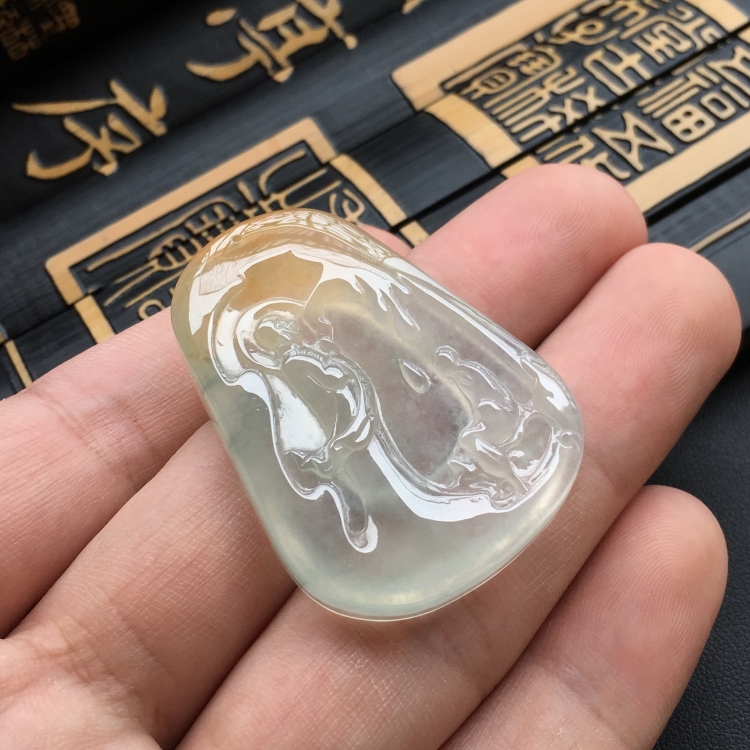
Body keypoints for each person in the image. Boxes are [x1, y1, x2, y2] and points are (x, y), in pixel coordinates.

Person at [0, 164, 740, 748]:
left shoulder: (339, 347)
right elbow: (306, 426)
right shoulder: (282, 379)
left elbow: (377, 389)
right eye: (277, 338)